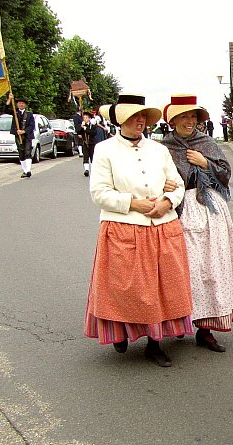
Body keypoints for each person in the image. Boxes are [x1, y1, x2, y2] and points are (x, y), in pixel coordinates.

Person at [84, 94, 191, 367]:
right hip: (124, 226)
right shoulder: (105, 150)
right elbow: (99, 192)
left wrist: (167, 201)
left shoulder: (159, 150)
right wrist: (132, 202)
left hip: (162, 225)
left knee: (162, 287)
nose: (139, 121)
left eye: (143, 116)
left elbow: (177, 184)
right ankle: (119, 331)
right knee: (123, 287)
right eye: (133, 117)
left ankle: (155, 343)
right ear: (121, 120)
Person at [160, 94, 233, 353]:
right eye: (183, 117)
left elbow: (225, 174)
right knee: (185, 270)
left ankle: (205, 330)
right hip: (179, 209)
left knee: (210, 268)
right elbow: (155, 176)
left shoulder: (206, 143)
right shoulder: (163, 148)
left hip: (209, 209)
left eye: (193, 116)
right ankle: (180, 321)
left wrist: (205, 162)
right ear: (172, 120)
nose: (189, 121)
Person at [11, 95, 35, 178]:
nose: (21, 104)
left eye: (22, 103)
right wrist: (10, 99)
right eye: (20, 103)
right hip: (18, 136)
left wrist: (23, 131)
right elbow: (5, 109)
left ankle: (28, 170)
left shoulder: (29, 114)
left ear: (25, 105)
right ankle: (25, 171)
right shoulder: (14, 113)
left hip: (27, 136)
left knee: (28, 152)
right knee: (21, 153)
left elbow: (32, 126)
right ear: (17, 104)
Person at [79, 111, 94, 176]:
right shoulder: (83, 125)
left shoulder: (92, 125)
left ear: (89, 118)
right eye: (84, 117)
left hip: (92, 143)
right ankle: (86, 170)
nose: (84, 119)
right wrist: (82, 127)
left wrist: (85, 128)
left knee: (92, 157)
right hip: (85, 143)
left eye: (86, 117)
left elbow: (92, 133)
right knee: (85, 156)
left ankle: (94, 170)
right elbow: (79, 132)